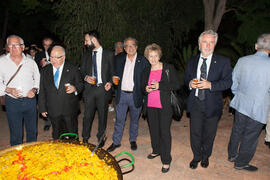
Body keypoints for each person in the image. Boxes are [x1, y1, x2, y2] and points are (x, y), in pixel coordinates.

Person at [184, 30, 232, 169]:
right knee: (195, 132)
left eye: (211, 42)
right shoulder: (192, 61)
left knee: (209, 134)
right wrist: (190, 84)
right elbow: (187, 78)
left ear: (215, 44)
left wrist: (211, 85)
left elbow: (228, 82)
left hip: (213, 104)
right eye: (205, 41)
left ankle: (205, 156)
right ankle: (196, 156)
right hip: (196, 103)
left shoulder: (223, 61)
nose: (208, 45)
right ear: (199, 43)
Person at [228, 33, 270, 171]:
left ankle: (232, 155)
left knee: (237, 129)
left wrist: (238, 94)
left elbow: (234, 82)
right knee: (251, 135)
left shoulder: (242, 60)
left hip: (241, 103)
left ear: (256, 46)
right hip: (259, 106)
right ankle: (241, 163)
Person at [141, 43, 180, 173]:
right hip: (151, 105)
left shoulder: (168, 68)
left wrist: (160, 85)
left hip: (165, 106)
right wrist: (145, 89)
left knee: (164, 132)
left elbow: (176, 84)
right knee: (154, 130)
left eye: (155, 56)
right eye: (150, 56)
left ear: (159, 56)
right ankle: (156, 150)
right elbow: (142, 87)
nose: (153, 59)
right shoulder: (146, 70)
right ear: (147, 57)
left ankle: (166, 160)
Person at [107, 37, 149, 152]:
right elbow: (112, 72)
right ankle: (116, 142)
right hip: (121, 95)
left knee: (135, 120)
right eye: (127, 46)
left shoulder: (143, 61)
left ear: (136, 47)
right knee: (120, 120)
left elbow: (147, 79)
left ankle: (133, 140)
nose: (130, 48)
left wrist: (145, 96)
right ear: (124, 48)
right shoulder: (119, 59)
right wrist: (112, 80)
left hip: (136, 95)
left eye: (132, 45)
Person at [0, 35, 40, 146]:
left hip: (30, 101)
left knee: (32, 131)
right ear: (7, 47)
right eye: (10, 45)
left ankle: (31, 154)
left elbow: (37, 78)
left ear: (22, 47)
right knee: (15, 134)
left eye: (16, 45)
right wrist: (8, 90)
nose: (13, 48)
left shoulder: (30, 61)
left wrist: (34, 89)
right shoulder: (1, 62)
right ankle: (17, 157)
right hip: (12, 101)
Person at [39, 45, 83, 140]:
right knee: (56, 134)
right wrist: (42, 107)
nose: (53, 60)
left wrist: (75, 88)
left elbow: (81, 84)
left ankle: (74, 152)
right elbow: (42, 90)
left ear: (63, 57)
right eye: (51, 57)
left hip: (69, 108)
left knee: (72, 134)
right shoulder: (45, 70)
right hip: (53, 109)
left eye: (56, 57)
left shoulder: (73, 68)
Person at [80, 30, 114, 147]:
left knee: (102, 115)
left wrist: (110, 82)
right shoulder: (86, 55)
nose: (85, 43)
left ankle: (101, 138)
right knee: (87, 115)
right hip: (89, 90)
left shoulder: (109, 54)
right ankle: (85, 138)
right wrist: (85, 77)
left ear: (93, 40)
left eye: (86, 40)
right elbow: (82, 71)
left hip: (102, 90)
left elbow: (113, 72)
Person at [35, 37, 54, 131]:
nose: (47, 47)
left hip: (55, 82)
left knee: (54, 103)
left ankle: (56, 121)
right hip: (43, 82)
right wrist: (41, 65)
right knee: (43, 103)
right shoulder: (39, 55)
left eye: (49, 45)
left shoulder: (57, 53)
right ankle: (48, 122)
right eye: (45, 45)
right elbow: (35, 70)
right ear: (43, 45)